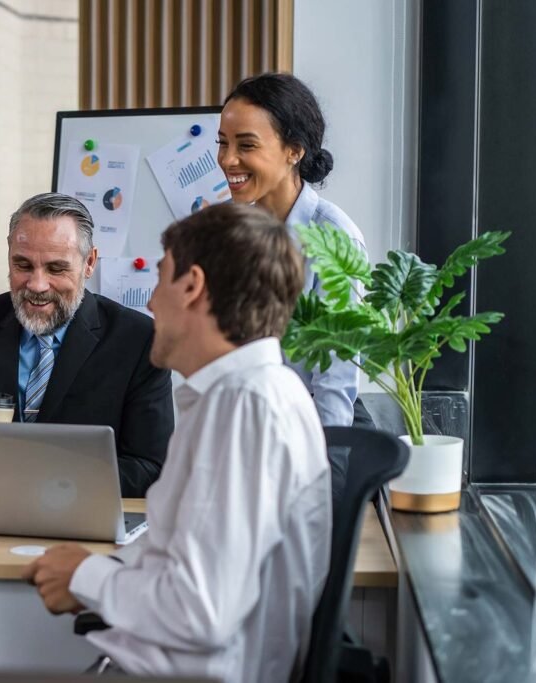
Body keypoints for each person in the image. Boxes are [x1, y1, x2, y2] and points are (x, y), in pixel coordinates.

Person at [22, 202, 331, 681]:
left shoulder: (245, 407)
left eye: (161, 278)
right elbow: (189, 559)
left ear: (192, 286)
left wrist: (84, 576)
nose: (149, 303)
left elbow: (198, 609)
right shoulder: (235, 397)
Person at [0, 192, 174, 497]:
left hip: (80, 521)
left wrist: (42, 476)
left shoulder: (140, 340)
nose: (37, 286)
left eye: (56, 268)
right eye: (23, 265)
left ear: (89, 263)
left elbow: (153, 470)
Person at [216, 71, 374, 430]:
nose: (228, 160)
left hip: (312, 431)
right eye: (222, 143)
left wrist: (319, 473)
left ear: (294, 150)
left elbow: (335, 379)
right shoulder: (232, 230)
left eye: (246, 145)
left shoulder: (333, 237)